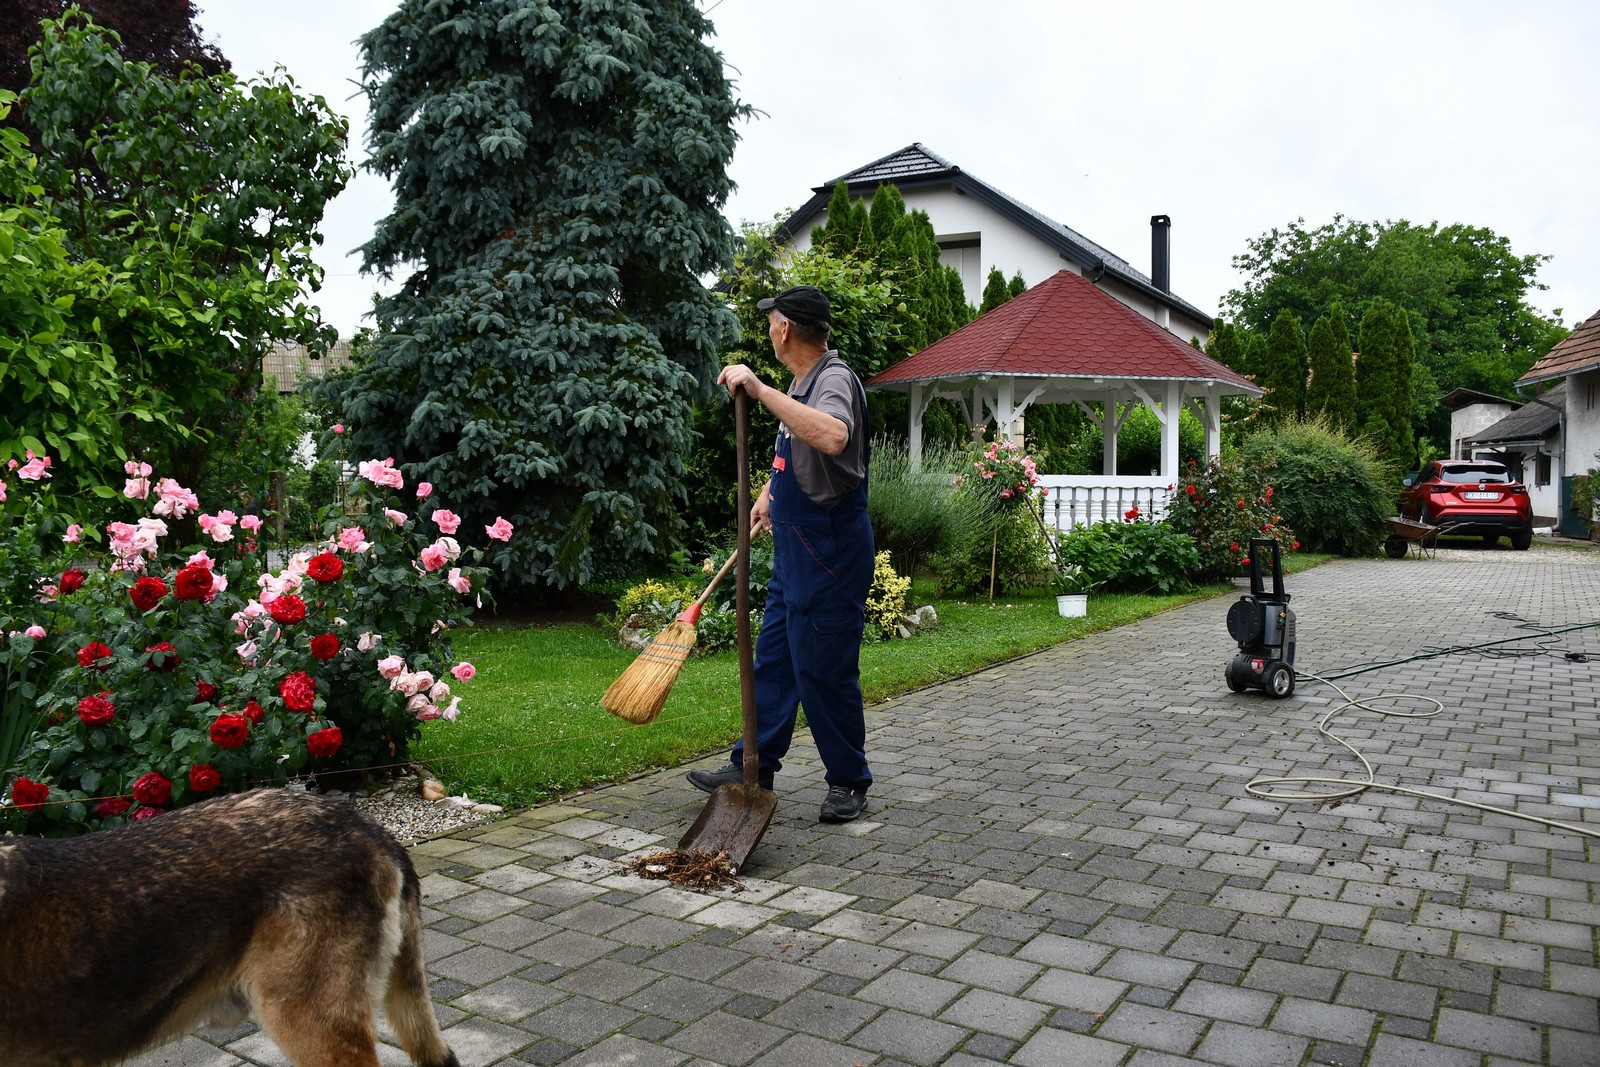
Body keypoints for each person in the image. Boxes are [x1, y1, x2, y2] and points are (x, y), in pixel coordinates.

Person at [688, 285, 875, 823]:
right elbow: (792, 449)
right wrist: (771, 494)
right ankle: (754, 763)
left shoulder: (833, 379)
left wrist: (761, 388)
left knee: (824, 668)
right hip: (798, 543)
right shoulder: (802, 383)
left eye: (771, 320)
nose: (769, 328)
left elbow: (835, 437)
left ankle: (848, 780)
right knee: (774, 661)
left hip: (830, 548)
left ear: (785, 328)